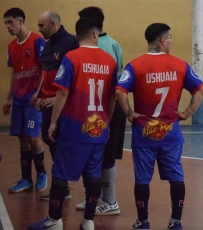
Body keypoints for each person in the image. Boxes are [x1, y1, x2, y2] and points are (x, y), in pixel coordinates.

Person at [27, 17, 117, 230]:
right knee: (93, 176)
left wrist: (53, 122)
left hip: (73, 128)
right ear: (96, 34)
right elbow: (113, 96)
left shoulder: (71, 58)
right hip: (98, 128)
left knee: (60, 174)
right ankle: (88, 222)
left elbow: (62, 91)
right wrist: (107, 121)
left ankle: (54, 220)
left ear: (77, 35)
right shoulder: (110, 61)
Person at [115, 23, 203, 230]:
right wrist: (186, 113)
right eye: (170, 37)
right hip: (170, 134)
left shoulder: (135, 66)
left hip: (143, 134)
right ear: (163, 40)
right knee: (176, 177)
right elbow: (201, 91)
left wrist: (129, 113)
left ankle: (143, 221)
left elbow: (120, 91)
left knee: (142, 180)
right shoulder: (180, 65)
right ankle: (176, 221)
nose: (172, 41)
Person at [75, 6, 124, 216]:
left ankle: (110, 201)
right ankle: (97, 198)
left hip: (103, 107)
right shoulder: (115, 44)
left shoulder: (95, 48)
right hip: (108, 105)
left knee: (103, 153)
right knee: (101, 153)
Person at [2, 8, 47, 193]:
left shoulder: (37, 40)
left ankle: (42, 173)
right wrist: (9, 97)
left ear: (21, 21)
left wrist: (40, 92)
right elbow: (15, 72)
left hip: (32, 98)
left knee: (33, 137)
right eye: (5, 23)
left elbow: (46, 68)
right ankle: (26, 179)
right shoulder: (11, 46)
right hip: (19, 99)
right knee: (21, 137)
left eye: (10, 22)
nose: (7, 26)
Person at [36, 10, 79, 200]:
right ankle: (62, 186)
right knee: (49, 139)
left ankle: (63, 187)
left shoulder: (70, 43)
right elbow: (45, 73)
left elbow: (76, 77)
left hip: (61, 106)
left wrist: (58, 99)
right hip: (46, 104)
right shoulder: (47, 45)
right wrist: (39, 95)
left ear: (53, 24)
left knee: (60, 144)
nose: (39, 30)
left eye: (42, 26)